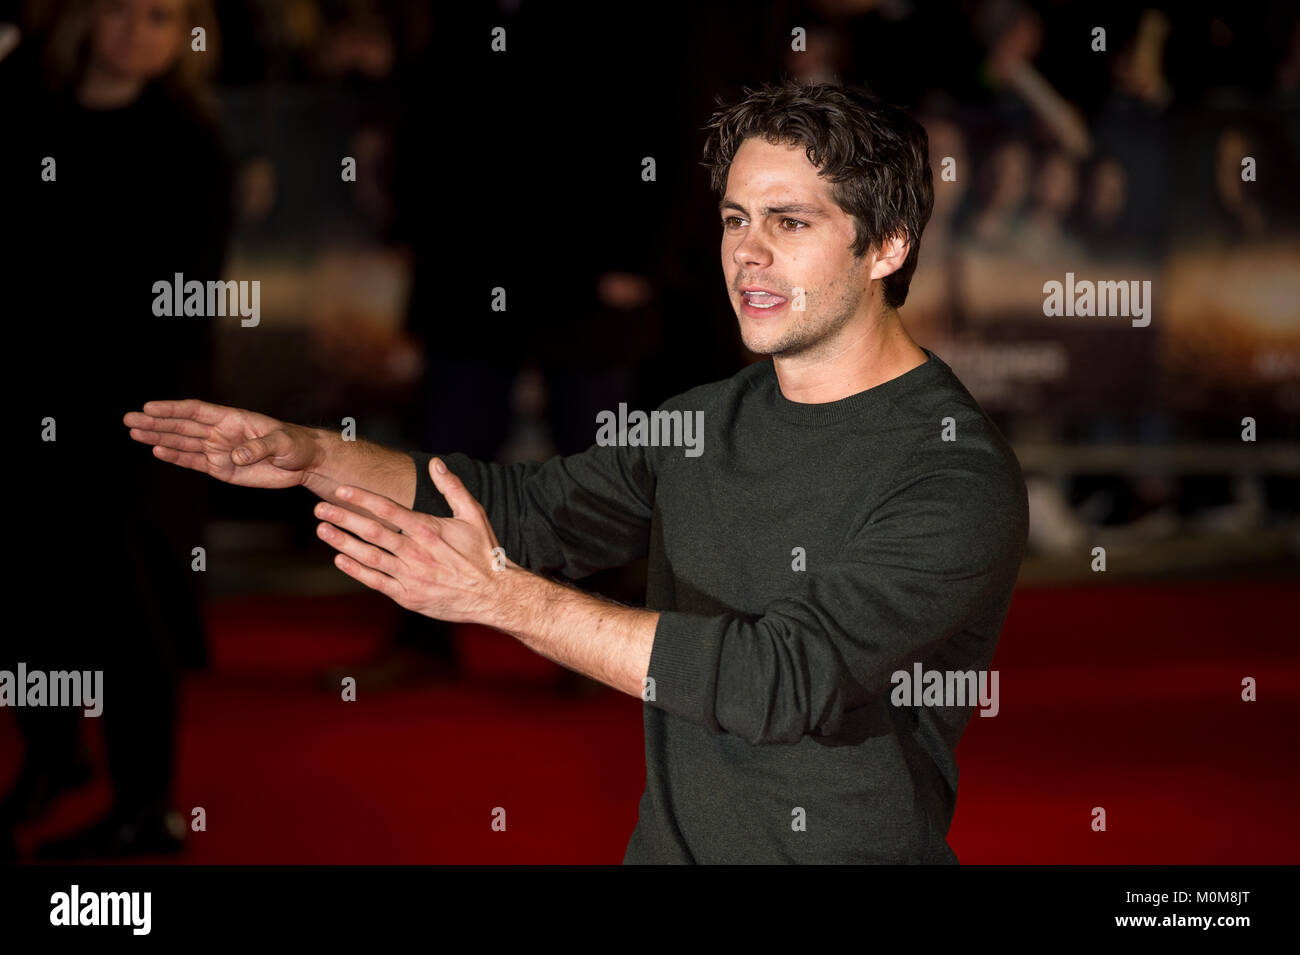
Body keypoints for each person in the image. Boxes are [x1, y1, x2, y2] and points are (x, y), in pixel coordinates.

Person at [124, 81, 1028, 864]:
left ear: (887, 247)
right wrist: (314, 453)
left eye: (790, 223)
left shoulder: (952, 473)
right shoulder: (705, 417)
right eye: (734, 219)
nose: (746, 253)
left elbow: (778, 680)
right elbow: (524, 508)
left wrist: (502, 600)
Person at [3, 0, 229, 860]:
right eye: (128, 11)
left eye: (165, 19)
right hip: (26, 403)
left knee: (132, 613)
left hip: (138, 418)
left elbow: (186, 302)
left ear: (185, 41)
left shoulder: (185, 142)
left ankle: (146, 806)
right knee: (30, 597)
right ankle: (51, 758)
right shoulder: (26, 105)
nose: (141, 32)